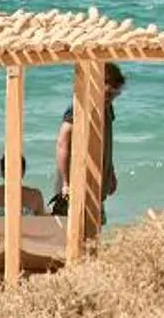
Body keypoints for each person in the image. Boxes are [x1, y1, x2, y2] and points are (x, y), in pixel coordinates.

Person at [48, 64, 126, 217]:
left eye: (116, 95)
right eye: (109, 94)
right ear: (97, 85)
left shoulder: (106, 107)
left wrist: (110, 172)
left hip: (96, 180)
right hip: (74, 181)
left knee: (94, 227)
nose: (111, 99)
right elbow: (63, 143)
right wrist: (66, 183)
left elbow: (106, 142)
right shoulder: (79, 106)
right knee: (72, 228)